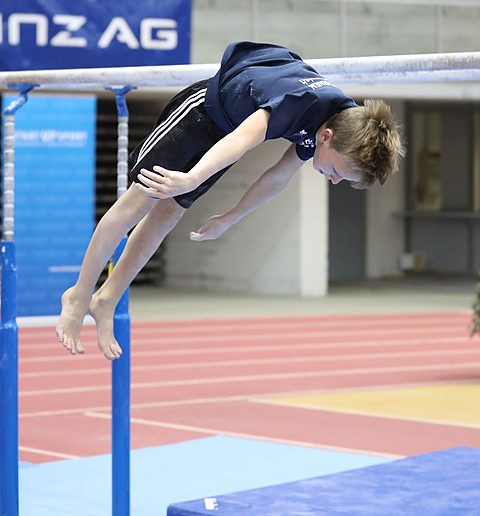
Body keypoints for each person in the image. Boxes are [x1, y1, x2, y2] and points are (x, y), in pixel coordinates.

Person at [56, 41, 405, 360]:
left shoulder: (335, 123)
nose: (333, 180)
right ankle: (79, 293)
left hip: (224, 135)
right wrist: (191, 178)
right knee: (139, 202)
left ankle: (107, 299)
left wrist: (231, 216)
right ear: (327, 138)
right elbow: (242, 139)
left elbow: (277, 177)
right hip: (201, 114)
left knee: (167, 216)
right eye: (338, 172)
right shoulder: (300, 104)